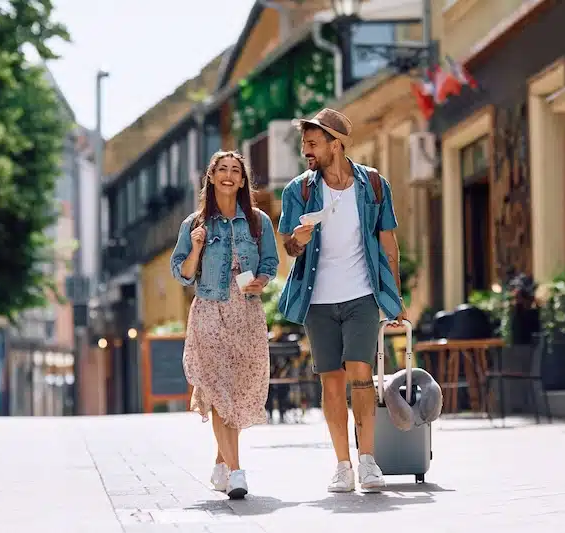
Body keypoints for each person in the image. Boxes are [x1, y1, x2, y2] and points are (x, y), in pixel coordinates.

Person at [277, 108, 407, 493]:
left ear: (336, 145)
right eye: (304, 144)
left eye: (313, 144)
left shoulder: (373, 185)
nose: (306, 151)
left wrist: (395, 296)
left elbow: (388, 243)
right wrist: (298, 240)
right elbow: (289, 247)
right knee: (332, 383)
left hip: (361, 295)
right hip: (317, 301)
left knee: (362, 376)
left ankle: (368, 461)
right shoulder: (298, 191)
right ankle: (342, 466)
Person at [170, 150, 279, 499]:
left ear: (243, 180)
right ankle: (236, 471)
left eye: (235, 171)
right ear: (212, 177)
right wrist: (196, 248)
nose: (229, 176)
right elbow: (183, 274)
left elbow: (271, 263)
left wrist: (261, 280)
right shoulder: (194, 224)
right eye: (222, 170)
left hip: (246, 312)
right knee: (218, 389)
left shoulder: (258, 221)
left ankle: (221, 462)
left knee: (238, 388)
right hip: (210, 309)